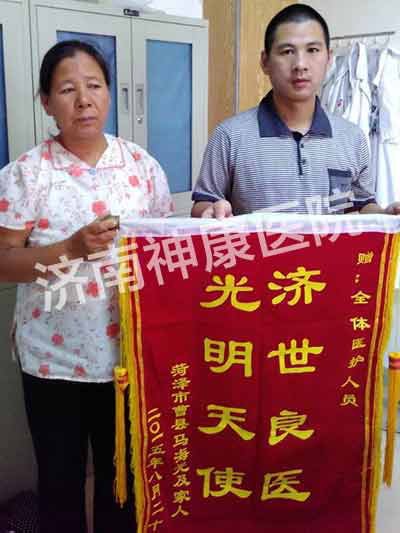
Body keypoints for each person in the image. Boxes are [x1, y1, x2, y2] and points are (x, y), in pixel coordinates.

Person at [0, 40, 173, 533]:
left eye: (94, 86)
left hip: (129, 359)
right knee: (60, 482)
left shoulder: (141, 165)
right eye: (67, 89)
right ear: (46, 102)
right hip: (54, 361)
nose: (84, 100)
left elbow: (165, 248)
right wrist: (70, 249)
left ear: (110, 94)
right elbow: (3, 262)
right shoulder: (27, 173)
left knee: (125, 482)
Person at [191, 3, 400, 219]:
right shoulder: (229, 136)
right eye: (288, 51)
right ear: (265, 62)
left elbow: (361, 206)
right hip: (260, 244)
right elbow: (203, 203)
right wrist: (210, 211)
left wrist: (385, 213)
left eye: (312, 50)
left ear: (328, 59)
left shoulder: (353, 138)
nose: (300, 64)